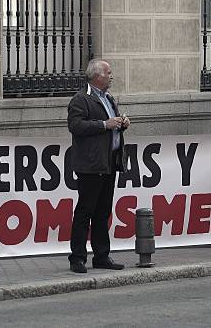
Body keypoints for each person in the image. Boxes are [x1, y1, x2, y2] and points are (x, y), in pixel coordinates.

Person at [67, 59, 129, 273]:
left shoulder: (108, 98)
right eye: (108, 72)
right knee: (85, 210)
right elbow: (75, 126)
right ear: (97, 76)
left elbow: (112, 124)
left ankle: (102, 255)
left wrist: (121, 123)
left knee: (103, 211)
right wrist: (105, 124)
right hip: (91, 164)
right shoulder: (81, 99)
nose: (111, 76)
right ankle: (77, 258)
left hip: (109, 161)